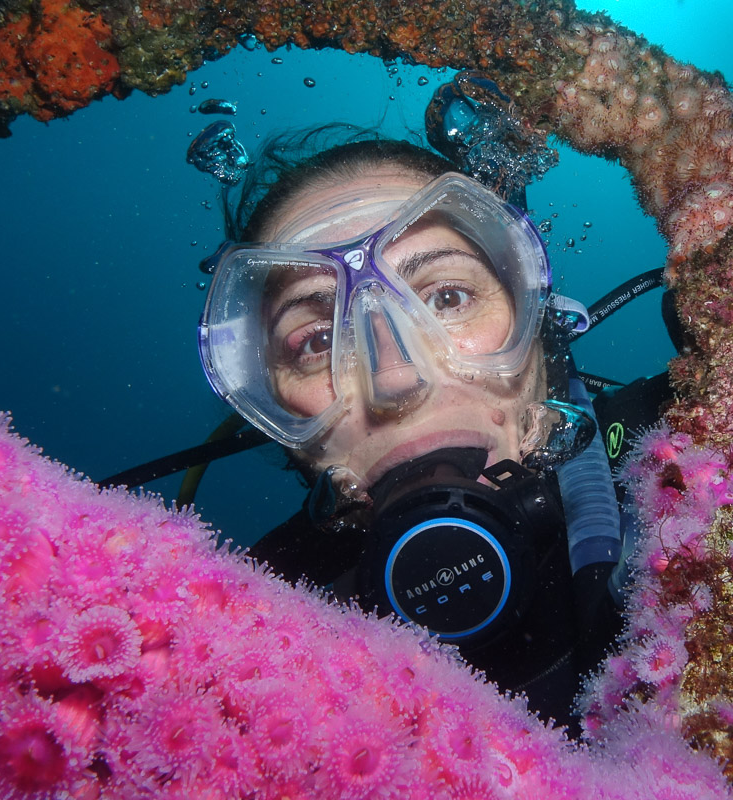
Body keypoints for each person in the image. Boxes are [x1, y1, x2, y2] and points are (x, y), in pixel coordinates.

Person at [196, 132, 671, 728]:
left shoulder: (685, 449)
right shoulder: (239, 636)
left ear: (539, 333)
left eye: (447, 296)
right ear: (275, 413)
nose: (394, 377)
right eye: (317, 341)